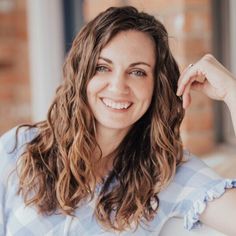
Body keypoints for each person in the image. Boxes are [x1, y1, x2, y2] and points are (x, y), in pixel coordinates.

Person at [0, 6, 235, 236]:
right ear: (82, 74)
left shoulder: (167, 174)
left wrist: (231, 92)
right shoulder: (19, 148)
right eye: (103, 67)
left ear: (156, 86)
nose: (118, 86)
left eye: (137, 72)